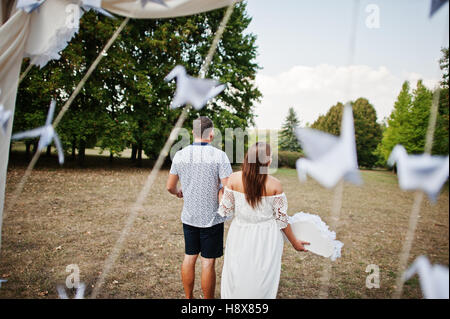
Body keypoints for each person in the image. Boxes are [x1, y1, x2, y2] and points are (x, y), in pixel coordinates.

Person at [218, 142, 309, 299]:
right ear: (267, 161)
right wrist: (295, 243)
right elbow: (282, 221)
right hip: (266, 236)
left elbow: (225, 210)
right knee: (262, 275)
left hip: (240, 232)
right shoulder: (275, 185)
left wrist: (221, 194)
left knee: (238, 270)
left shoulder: (233, 179)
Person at [166, 116, 232, 299]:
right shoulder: (220, 156)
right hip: (212, 218)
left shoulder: (180, 155)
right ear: (211, 134)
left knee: (189, 257)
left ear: (193, 133)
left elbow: (170, 187)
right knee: (208, 263)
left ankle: (189, 299)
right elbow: (227, 189)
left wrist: (179, 192)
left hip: (189, 217)